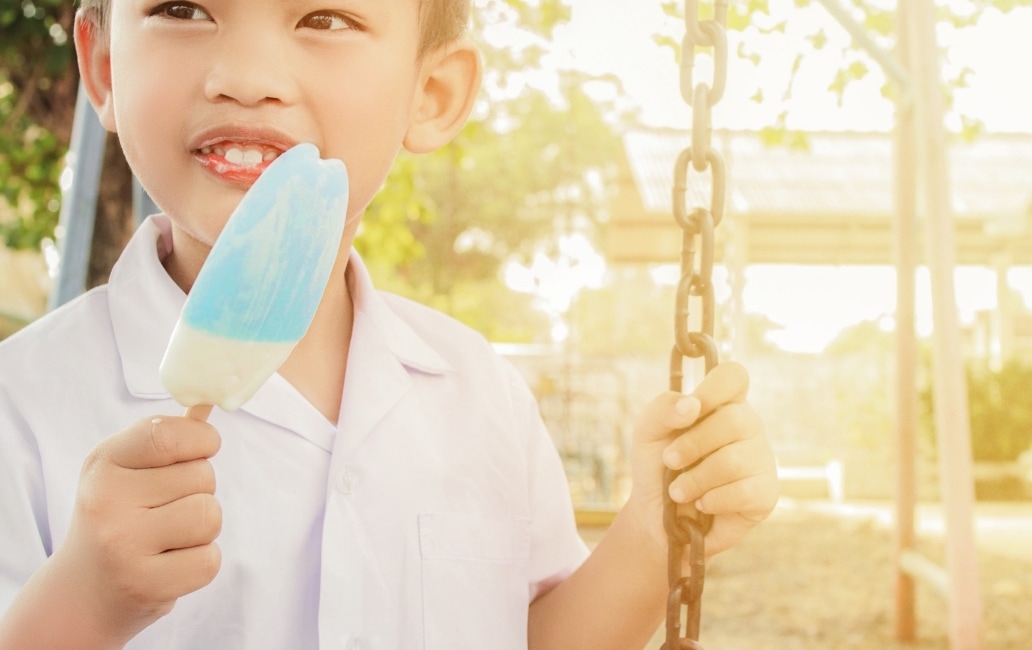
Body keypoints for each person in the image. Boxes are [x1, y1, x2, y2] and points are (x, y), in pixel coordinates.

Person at [0, 0, 779, 648]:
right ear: (103, 67)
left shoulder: (482, 396)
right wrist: (83, 604)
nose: (245, 78)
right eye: (181, 8)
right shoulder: (22, 407)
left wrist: (648, 537)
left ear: (431, 93)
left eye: (325, 19)